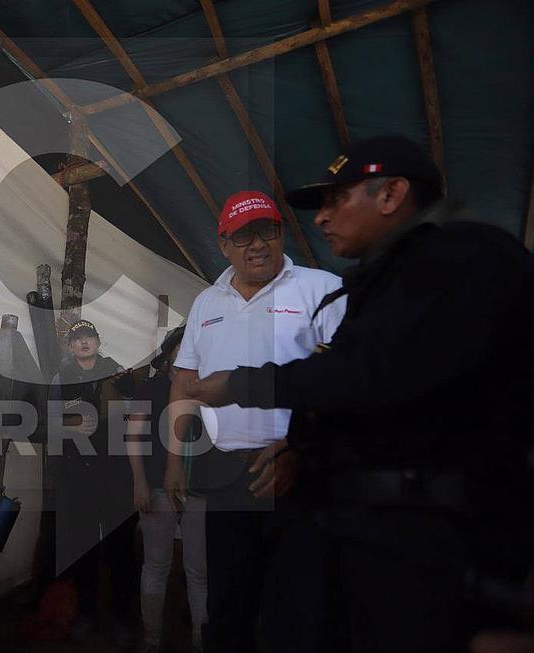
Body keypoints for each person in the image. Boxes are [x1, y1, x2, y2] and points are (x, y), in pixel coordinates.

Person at [185, 134, 534, 652]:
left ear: (391, 195)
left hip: (434, 533)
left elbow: (368, 374)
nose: (322, 218)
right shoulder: (386, 277)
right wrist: (304, 440)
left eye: (336, 199)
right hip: (359, 521)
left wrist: (242, 384)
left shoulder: (461, 258)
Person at [164, 190, 346, 653]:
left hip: (298, 473)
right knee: (228, 602)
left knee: (300, 608)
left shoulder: (321, 288)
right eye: (243, 236)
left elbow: (345, 381)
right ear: (223, 244)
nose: (257, 244)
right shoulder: (207, 301)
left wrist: (300, 449)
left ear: (282, 234)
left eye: (267, 230)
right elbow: (185, 382)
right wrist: (173, 461)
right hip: (229, 474)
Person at [48, 319, 139, 646]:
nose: (84, 342)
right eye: (78, 338)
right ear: (71, 346)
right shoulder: (61, 378)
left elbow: (138, 420)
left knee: (121, 548)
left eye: (89, 337)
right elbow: (49, 422)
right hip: (79, 474)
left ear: (98, 342)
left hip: (116, 473)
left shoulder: (119, 374)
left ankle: (124, 618)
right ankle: (87, 613)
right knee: (82, 545)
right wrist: (71, 426)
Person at [126, 326, 208, 653]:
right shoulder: (153, 387)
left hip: (201, 491)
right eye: (182, 345)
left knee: (199, 572)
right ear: (171, 352)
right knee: (156, 565)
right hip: (158, 487)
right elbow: (133, 437)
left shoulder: (212, 389)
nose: (189, 350)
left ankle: (202, 643)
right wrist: (139, 481)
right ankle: (151, 641)